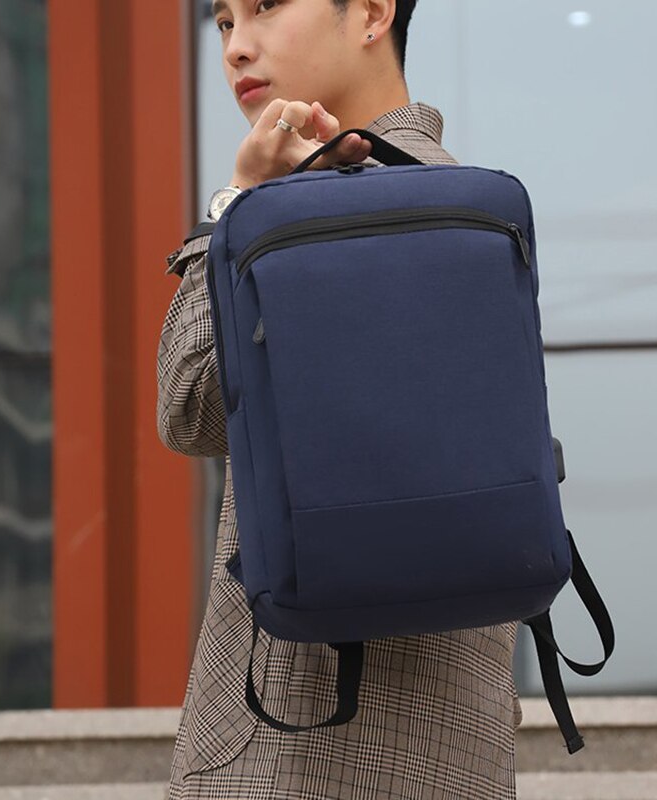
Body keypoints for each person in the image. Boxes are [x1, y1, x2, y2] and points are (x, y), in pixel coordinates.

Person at [157, 1, 523, 797]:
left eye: (265, 7)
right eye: (223, 22)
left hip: (299, 746)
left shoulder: (320, 214)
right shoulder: (465, 205)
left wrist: (234, 201)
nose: (236, 47)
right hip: (457, 738)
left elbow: (190, 406)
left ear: (371, 14)